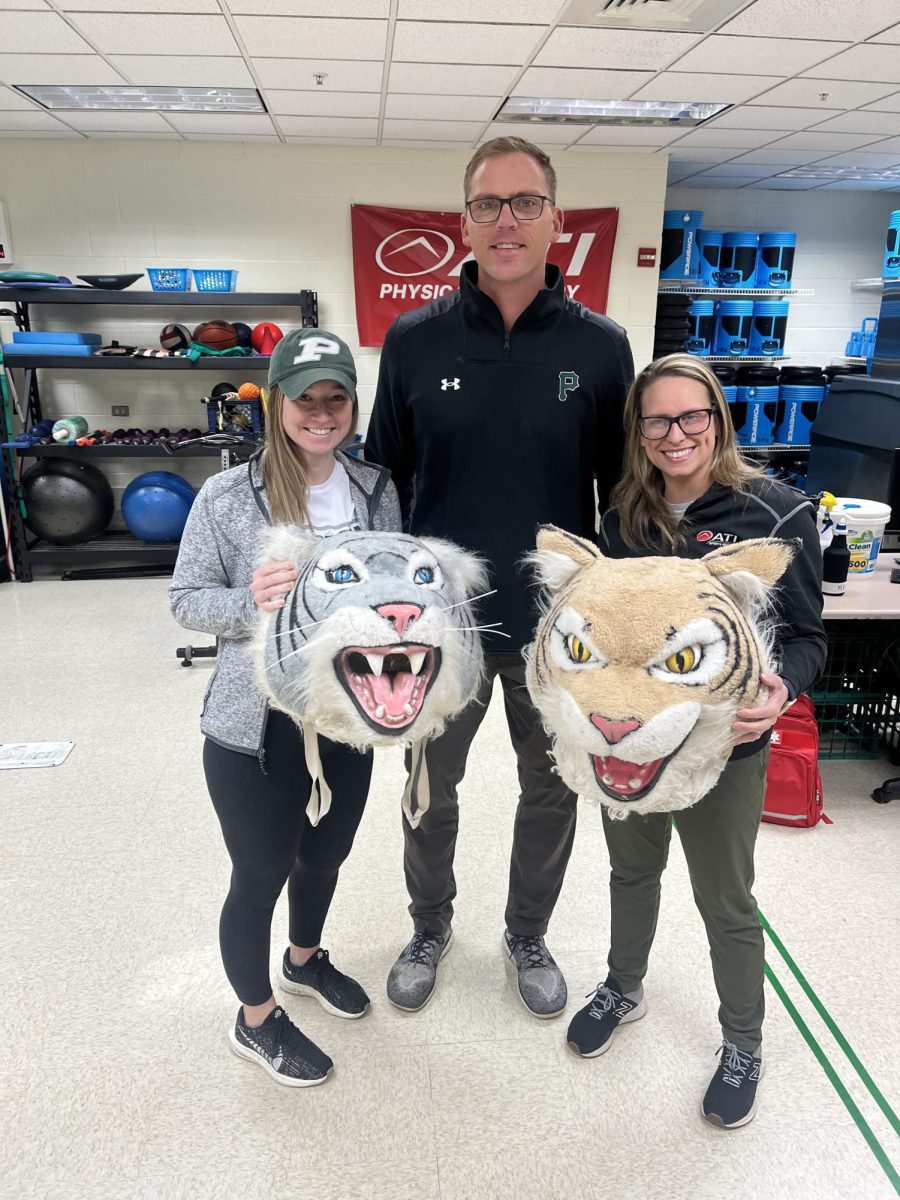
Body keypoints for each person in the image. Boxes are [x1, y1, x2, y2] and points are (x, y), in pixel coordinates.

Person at [366, 136, 634, 1017]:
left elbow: (617, 497)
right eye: (489, 204)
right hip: (438, 630)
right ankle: (429, 925)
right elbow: (385, 491)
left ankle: (527, 932)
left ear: (557, 219)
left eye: (525, 202)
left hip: (555, 632)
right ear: (464, 222)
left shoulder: (600, 348)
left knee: (552, 789)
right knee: (427, 791)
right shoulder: (413, 339)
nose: (507, 220)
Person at [567, 353, 826, 1129]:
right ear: (638, 430)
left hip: (725, 750)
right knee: (630, 875)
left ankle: (743, 1040)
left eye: (692, 417)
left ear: (718, 419)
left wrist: (782, 688)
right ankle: (624, 984)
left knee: (726, 902)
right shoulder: (622, 518)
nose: (675, 435)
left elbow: (810, 637)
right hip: (633, 750)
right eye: (657, 420)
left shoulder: (777, 512)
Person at [170, 327, 400, 1087]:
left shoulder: (374, 488)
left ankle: (304, 962)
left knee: (325, 855)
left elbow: (396, 590)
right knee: (261, 870)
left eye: (336, 397)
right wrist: (250, 600)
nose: (322, 413)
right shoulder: (226, 495)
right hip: (256, 729)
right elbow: (185, 600)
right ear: (276, 405)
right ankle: (255, 1018)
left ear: (353, 405)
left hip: (347, 716)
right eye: (306, 399)